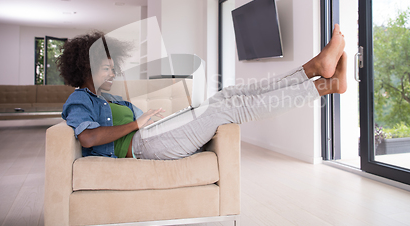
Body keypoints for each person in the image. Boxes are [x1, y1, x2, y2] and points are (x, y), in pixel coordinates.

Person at [58, 25, 347, 160]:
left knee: (227, 95)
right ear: (87, 68)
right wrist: (138, 122)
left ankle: (313, 70)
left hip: (153, 135)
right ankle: (324, 86)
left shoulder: (107, 99)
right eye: (107, 68)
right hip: (144, 146)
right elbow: (89, 137)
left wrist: (154, 120)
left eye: (113, 67)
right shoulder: (80, 100)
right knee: (226, 110)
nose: (113, 73)